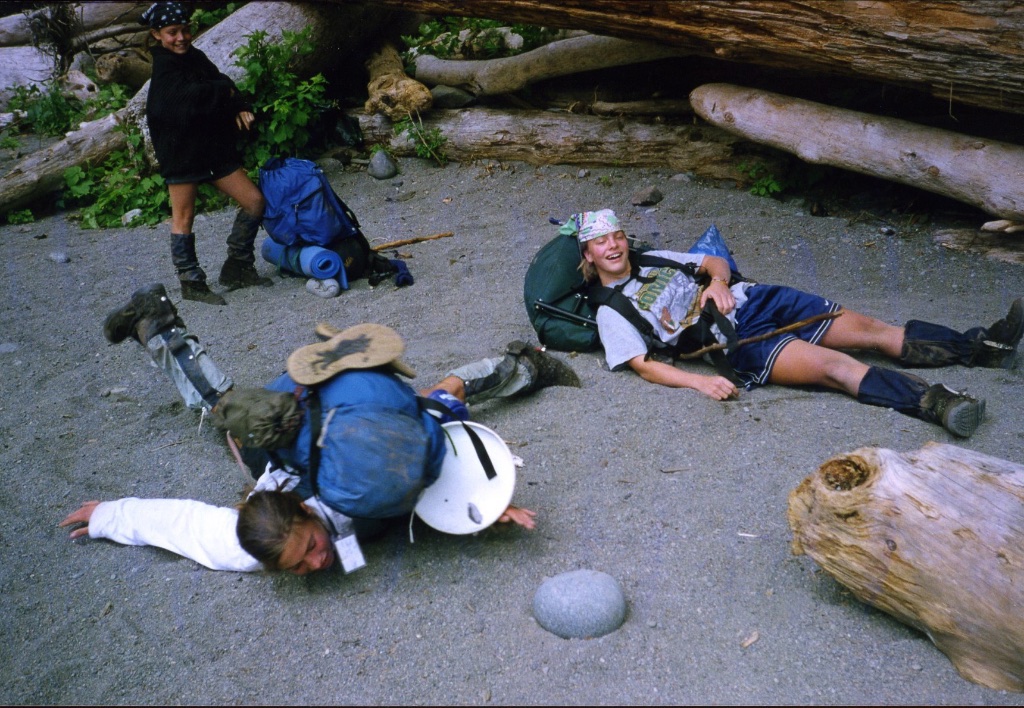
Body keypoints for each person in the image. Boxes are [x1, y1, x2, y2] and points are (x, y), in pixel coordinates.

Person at [60, 284, 580, 575]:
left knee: (441, 400)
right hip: (302, 434)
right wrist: (111, 517)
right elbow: (186, 529)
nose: (318, 559)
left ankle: (522, 364)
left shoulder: (352, 465)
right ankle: (158, 327)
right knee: (232, 414)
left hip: (332, 414)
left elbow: (425, 456)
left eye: (309, 547)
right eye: (301, 564)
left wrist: (482, 496)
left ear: (307, 511)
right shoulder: (250, 545)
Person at [572, 209, 1022, 438]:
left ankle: (981, 348)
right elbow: (644, 365)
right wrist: (699, 383)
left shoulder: (653, 257)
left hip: (758, 299)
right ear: (588, 254)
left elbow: (711, 261)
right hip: (738, 340)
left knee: (870, 330)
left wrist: (718, 283)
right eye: (601, 242)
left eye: (618, 236)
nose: (614, 246)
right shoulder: (611, 309)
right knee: (835, 367)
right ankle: (937, 404)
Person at [142, 1, 272, 306]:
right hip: (181, 153)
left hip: (212, 150)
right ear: (157, 34)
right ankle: (191, 281)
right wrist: (221, 92)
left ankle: (237, 266)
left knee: (254, 201)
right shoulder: (164, 68)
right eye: (172, 32)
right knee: (183, 217)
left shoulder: (194, 57)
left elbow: (223, 82)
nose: (181, 38)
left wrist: (238, 105)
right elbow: (187, 103)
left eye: (185, 30)